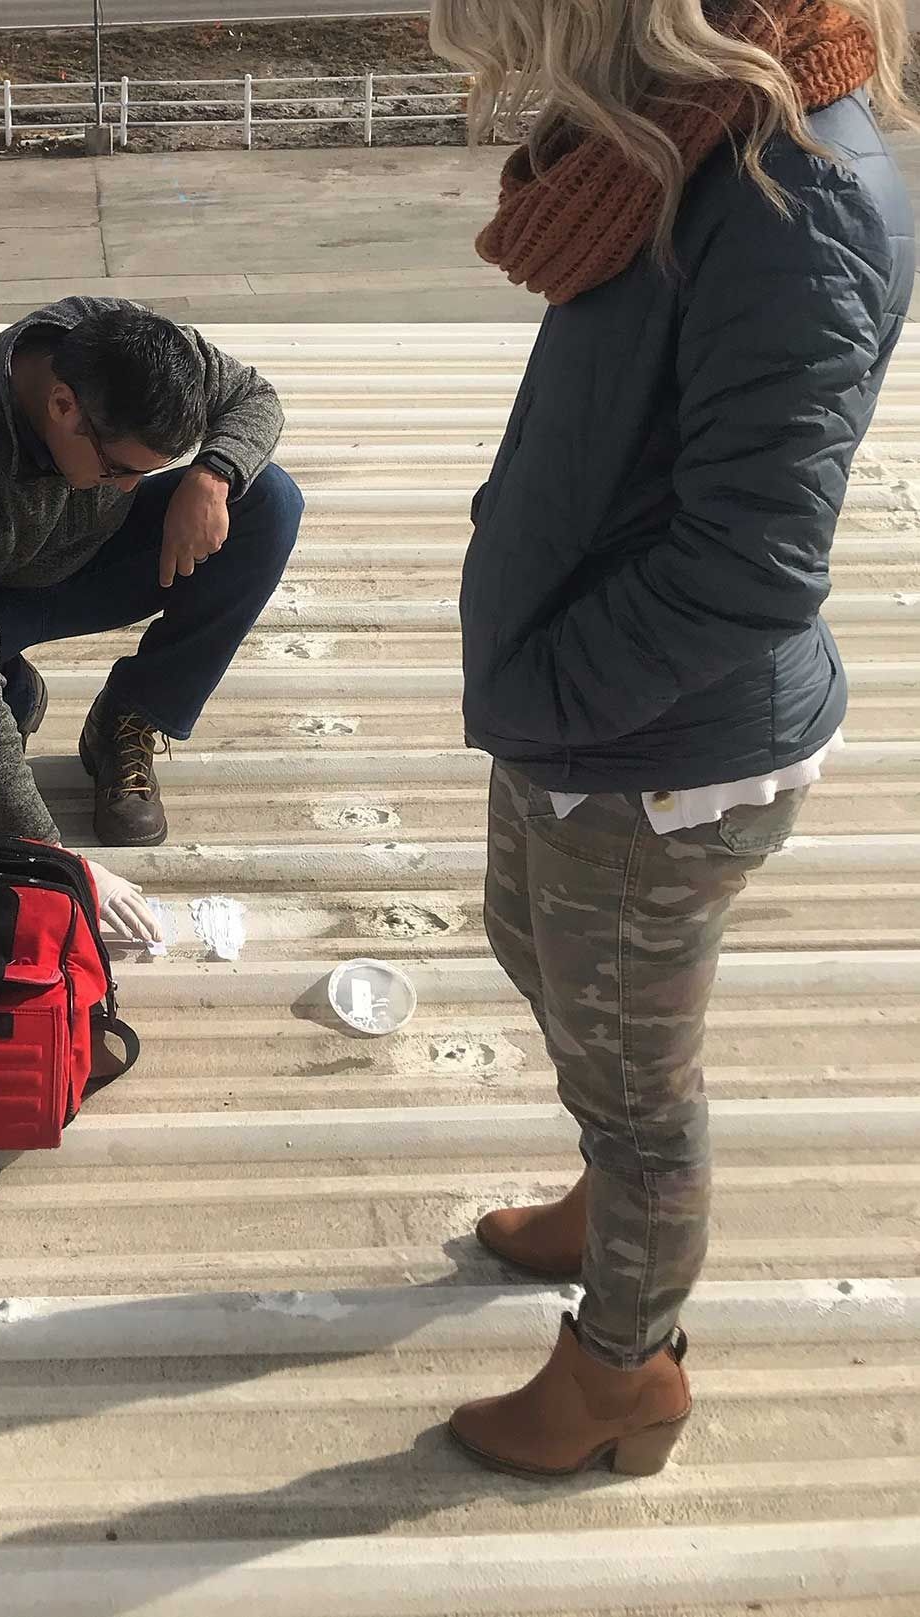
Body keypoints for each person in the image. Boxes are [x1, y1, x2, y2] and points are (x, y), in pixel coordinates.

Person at [432, 0, 912, 1477]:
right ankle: (602, 1190)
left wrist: (543, 698)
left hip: (655, 753)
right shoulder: (686, 142)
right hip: (588, 712)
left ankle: (622, 1367)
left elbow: (750, 565)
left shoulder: (792, 202)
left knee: (644, 1101)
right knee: (530, 945)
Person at [0, 298, 304, 940]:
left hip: (92, 557)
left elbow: (254, 396)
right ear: (63, 406)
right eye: (121, 468)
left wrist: (212, 475)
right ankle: (17, 704)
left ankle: (129, 717)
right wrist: (52, 861)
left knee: (269, 500)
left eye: (152, 470)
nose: (135, 486)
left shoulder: (137, 350)